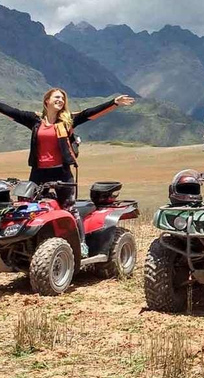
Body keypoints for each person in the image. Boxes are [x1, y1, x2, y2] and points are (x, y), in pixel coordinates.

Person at [0, 88, 135, 255]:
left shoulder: (67, 120)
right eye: (57, 97)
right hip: (38, 173)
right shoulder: (34, 120)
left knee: (69, 208)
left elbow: (89, 113)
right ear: (46, 101)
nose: (60, 101)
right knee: (30, 209)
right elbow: (12, 112)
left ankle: (81, 244)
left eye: (62, 99)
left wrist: (114, 103)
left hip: (62, 172)